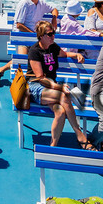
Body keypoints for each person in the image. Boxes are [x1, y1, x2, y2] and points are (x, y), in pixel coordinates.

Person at [26, 18, 90, 148]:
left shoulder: (53, 47)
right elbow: (40, 78)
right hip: (36, 87)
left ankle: (53, 145)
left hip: (51, 87)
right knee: (63, 96)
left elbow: (64, 54)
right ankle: (80, 135)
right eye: (49, 34)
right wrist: (59, 87)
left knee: (60, 111)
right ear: (41, 36)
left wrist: (75, 55)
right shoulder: (34, 51)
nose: (52, 36)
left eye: (53, 33)